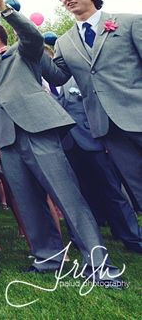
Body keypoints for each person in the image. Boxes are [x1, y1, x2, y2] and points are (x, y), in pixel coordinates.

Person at [0, 0, 121, 286]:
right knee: (28, 202)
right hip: (7, 141)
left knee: (66, 196)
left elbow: (32, 35)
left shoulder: (22, 51)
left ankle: (98, 263)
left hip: (37, 131)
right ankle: (48, 257)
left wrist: (5, 9)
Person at [41, 0, 142, 207]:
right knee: (137, 184)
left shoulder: (128, 22)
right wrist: (33, 50)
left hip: (138, 111)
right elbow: (58, 77)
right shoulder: (64, 42)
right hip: (106, 124)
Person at [50, 69, 142, 254]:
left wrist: (105, 138)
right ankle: (82, 240)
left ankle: (132, 237)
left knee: (112, 191)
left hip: (92, 141)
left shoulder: (76, 79)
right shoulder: (37, 85)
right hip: (63, 147)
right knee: (73, 196)